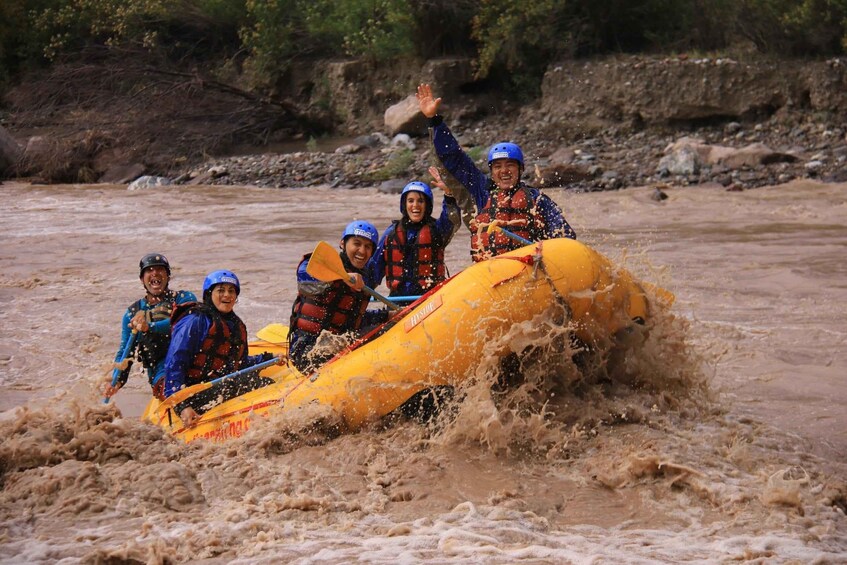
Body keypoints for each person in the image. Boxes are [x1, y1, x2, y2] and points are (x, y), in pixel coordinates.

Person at [416, 83, 577, 262]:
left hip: (527, 270)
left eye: (510, 165)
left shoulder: (537, 200)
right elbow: (454, 157)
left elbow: (564, 235)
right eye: (498, 166)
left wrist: (547, 255)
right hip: (489, 271)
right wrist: (434, 120)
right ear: (492, 171)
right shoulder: (481, 192)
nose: (504, 171)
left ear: (521, 169)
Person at [163, 270, 279, 426]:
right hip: (192, 394)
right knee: (247, 384)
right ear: (209, 294)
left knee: (264, 382)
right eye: (221, 290)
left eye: (231, 291)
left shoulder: (237, 325)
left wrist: (269, 358)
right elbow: (175, 364)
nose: (227, 295)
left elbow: (239, 364)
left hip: (218, 386)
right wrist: (182, 406)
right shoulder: (195, 321)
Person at [289, 220, 385, 373]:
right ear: (342, 243)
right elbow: (304, 273)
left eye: (368, 247)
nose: (362, 251)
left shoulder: (364, 280)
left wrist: (386, 315)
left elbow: (354, 319)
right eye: (357, 243)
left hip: (338, 342)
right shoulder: (323, 265)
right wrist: (342, 276)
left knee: (385, 329)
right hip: (306, 348)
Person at [105, 253, 196, 401]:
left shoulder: (184, 298)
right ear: (142, 279)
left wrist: (150, 327)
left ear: (168, 276)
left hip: (192, 362)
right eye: (149, 270)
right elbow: (125, 352)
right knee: (170, 387)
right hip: (161, 370)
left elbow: (183, 322)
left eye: (160, 269)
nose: (155, 273)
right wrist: (117, 381)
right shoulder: (132, 314)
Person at [370, 169, 461, 298]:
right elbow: (373, 271)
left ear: (427, 205)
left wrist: (449, 195)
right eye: (411, 201)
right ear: (404, 204)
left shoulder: (438, 230)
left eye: (421, 201)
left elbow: (453, 219)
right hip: (398, 300)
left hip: (430, 299)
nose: (415, 205)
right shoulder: (391, 233)